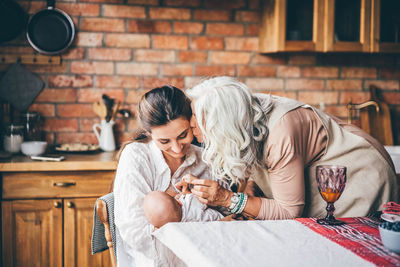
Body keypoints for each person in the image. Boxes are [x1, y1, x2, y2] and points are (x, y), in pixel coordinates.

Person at [185, 76, 398, 220]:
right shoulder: (242, 110)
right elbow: (248, 144)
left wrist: (228, 199)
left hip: (357, 170)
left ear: (223, 123)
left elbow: (289, 211)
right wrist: (251, 183)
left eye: (197, 117)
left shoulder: (281, 133)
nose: (191, 123)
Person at [113, 85, 221, 267]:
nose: (177, 149)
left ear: (191, 122)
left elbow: (226, 218)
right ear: (149, 134)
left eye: (183, 135)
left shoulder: (205, 159)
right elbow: (135, 233)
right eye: (164, 141)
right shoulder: (137, 156)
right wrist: (196, 235)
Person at [143, 189, 223, 228]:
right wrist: (187, 193)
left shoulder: (180, 228)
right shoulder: (189, 201)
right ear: (179, 202)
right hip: (221, 219)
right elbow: (204, 200)